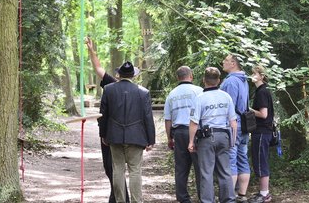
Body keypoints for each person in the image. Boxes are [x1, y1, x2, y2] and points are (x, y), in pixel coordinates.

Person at [99, 61, 156, 203]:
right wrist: (151, 140)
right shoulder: (143, 92)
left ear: (119, 74)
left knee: (117, 169)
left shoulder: (108, 89)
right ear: (133, 76)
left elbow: (103, 115)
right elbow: (148, 117)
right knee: (135, 170)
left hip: (115, 136)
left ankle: (120, 201)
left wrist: (103, 134)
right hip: (136, 137)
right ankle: (137, 201)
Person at [86, 38, 129, 203]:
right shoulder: (120, 86)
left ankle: (120, 198)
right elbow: (98, 68)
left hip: (112, 135)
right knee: (115, 168)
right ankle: (117, 196)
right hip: (125, 134)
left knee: (113, 167)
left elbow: (98, 68)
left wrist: (91, 50)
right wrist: (91, 50)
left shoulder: (115, 86)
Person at [188, 67, 238, 203]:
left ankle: (208, 201)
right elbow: (233, 122)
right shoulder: (226, 96)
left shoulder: (199, 98)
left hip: (206, 138)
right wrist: (232, 142)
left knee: (206, 172)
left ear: (204, 80)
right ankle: (228, 200)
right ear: (219, 81)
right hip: (224, 136)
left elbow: (193, 123)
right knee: (225, 171)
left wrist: (191, 142)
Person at [164, 66, 203, 203]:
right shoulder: (199, 91)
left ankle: (183, 199)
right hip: (197, 132)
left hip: (179, 133)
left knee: (181, 168)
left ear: (177, 77)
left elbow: (168, 119)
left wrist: (169, 138)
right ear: (191, 76)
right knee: (200, 167)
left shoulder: (172, 95)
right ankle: (203, 197)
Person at [221, 54, 251, 202]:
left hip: (234, 125)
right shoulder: (243, 80)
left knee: (231, 158)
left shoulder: (231, 81)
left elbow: (229, 106)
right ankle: (242, 194)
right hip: (244, 124)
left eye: (226, 61)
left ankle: (229, 196)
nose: (223, 63)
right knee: (242, 157)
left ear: (233, 63)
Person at [248, 65, 274, 203]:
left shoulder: (262, 92)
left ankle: (264, 194)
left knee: (261, 161)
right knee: (260, 160)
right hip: (263, 131)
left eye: (255, 73)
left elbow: (263, 114)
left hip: (263, 131)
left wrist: (249, 109)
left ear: (262, 76)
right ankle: (262, 192)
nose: (252, 75)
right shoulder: (262, 90)